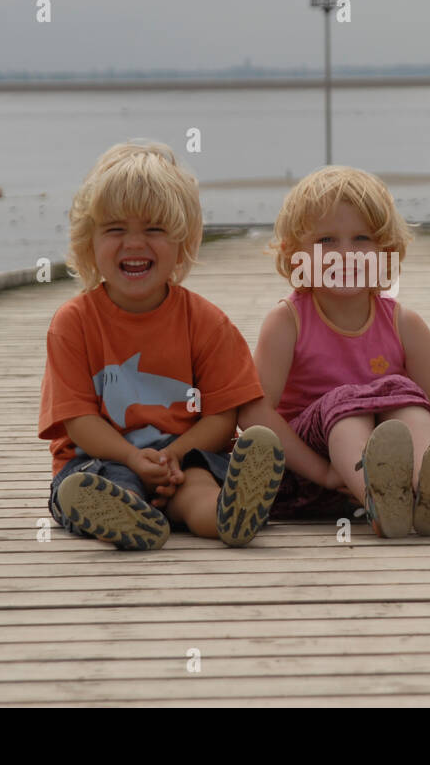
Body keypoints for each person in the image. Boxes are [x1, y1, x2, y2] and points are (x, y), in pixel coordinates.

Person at [38, 139, 284, 550]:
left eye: (154, 230)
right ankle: (126, 515)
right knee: (102, 484)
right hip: (102, 459)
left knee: (200, 487)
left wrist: (174, 455)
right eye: (115, 230)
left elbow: (222, 417)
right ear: (89, 242)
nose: (134, 244)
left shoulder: (207, 323)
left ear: (182, 243)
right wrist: (134, 459)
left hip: (183, 459)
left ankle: (230, 515)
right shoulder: (74, 324)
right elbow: (78, 420)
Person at [238, 166, 430, 538]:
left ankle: (423, 490)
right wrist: (324, 472)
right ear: (294, 254)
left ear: (386, 252)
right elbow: (254, 410)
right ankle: (379, 503)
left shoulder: (404, 324)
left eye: (361, 239)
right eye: (326, 241)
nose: (344, 255)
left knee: (408, 401)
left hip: (390, 462)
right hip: (310, 478)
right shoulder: (287, 322)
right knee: (347, 408)